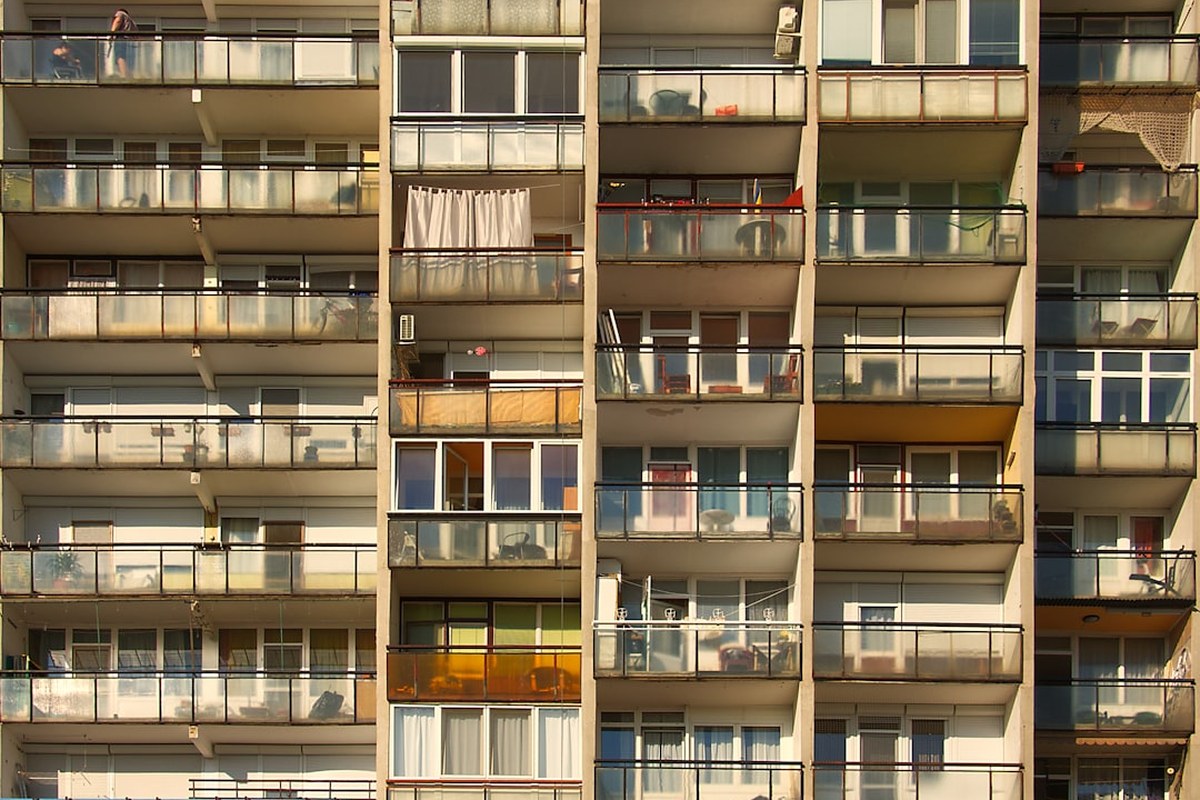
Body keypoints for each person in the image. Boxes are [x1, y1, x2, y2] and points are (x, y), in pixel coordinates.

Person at [108, 8, 137, 77]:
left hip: (122, 39)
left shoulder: (121, 13)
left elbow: (118, 21)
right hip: (131, 42)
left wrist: (111, 34)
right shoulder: (132, 22)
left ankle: (124, 75)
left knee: (120, 57)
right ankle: (129, 75)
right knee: (129, 60)